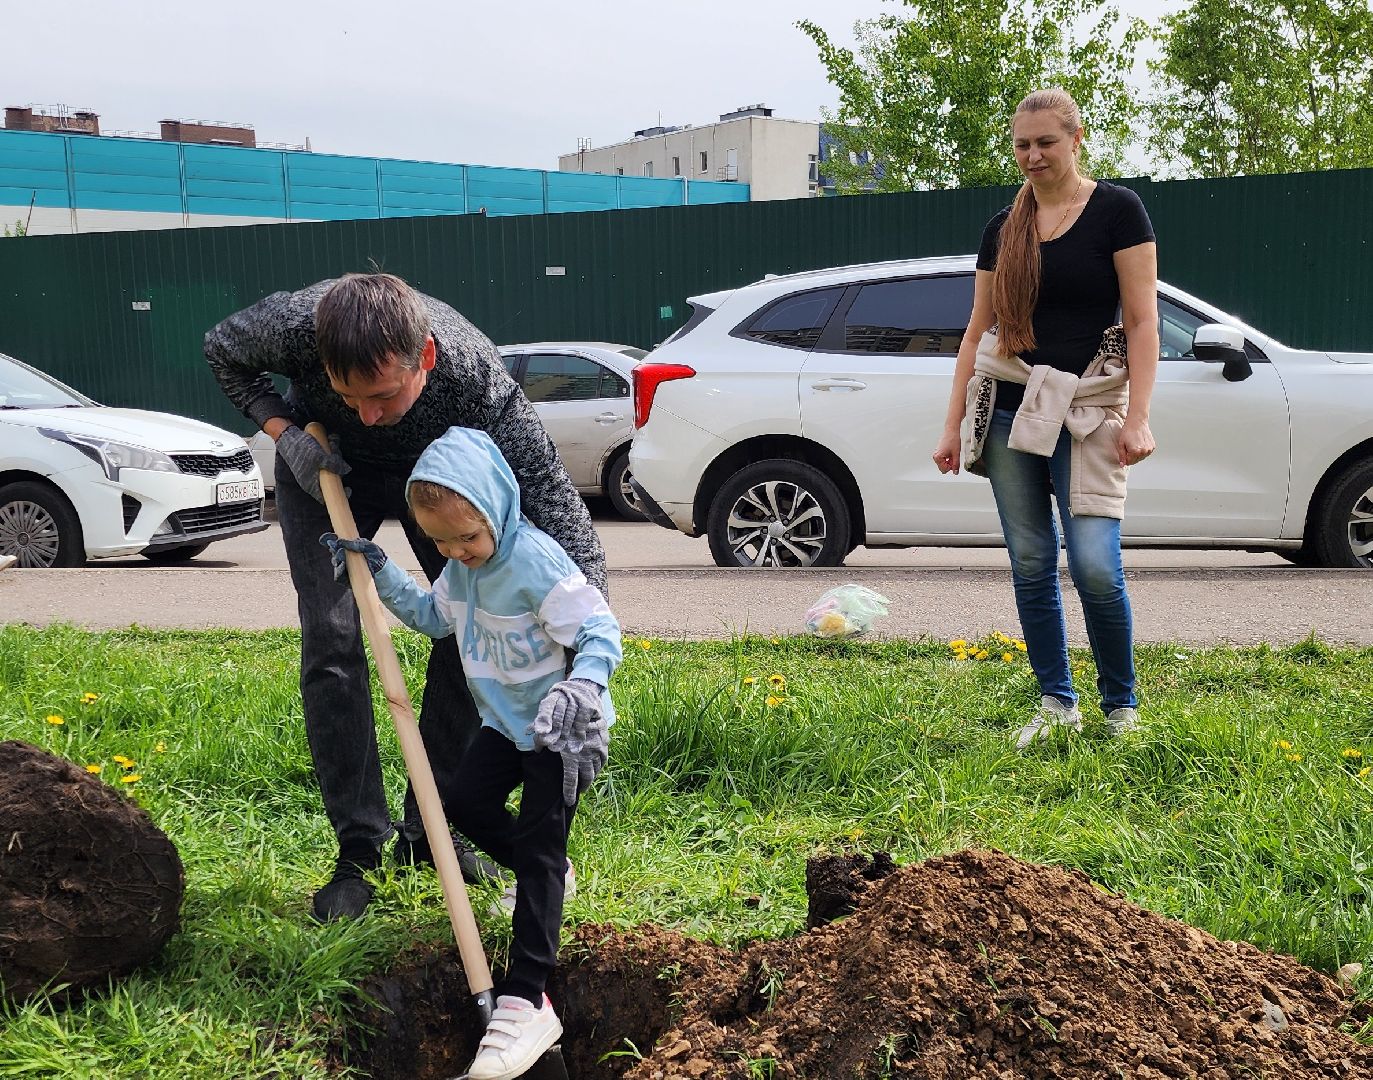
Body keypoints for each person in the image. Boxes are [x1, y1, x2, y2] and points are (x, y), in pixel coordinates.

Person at [204, 273, 608, 921]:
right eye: (348, 395)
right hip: (325, 470)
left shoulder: (478, 387)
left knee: (463, 626)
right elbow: (222, 349)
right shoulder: (292, 324)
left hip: (433, 484)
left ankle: (429, 831)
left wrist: (587, 651)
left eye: (382, 395)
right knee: (332, 639)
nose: (366, 412)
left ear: (423, 357)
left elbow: (560, 513)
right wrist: (285, 433)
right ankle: (360, 846)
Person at [322, 426, 620, 1080]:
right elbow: (432, 618)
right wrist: (380, 568)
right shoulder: (461, 570)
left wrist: (582, 683)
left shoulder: (536, 564)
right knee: (461, 802)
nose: (459, 552)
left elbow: (600, 630)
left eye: (469, 538)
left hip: (559, 730)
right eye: (441, 542)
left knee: (540, 851)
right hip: (504, 724)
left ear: (499, 511)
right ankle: (545, 876)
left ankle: (527, 998)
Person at [931, 87, 1159, 750]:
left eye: (1044, 143)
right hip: (1007, 407)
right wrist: (951, 426)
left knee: (1092, 564)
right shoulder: (1003, 228)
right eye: (1021, 145)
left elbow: (1142, 322)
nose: (1031, 156)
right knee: (1031, 561)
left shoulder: (1118, 211)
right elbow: (977, 334)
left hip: (1087, 409)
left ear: (1075, 139)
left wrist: (1137, 416)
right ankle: (1056, 702)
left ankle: (1122, 710)